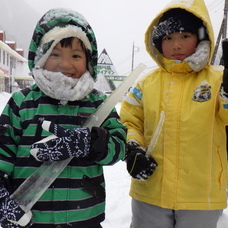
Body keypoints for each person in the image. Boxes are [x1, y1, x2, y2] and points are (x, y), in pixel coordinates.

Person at [0, 8, 126, 228]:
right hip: (31, 220)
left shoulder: (99, 105)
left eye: (76, 56)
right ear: (39, 57)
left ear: (89, 60)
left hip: (84, 219)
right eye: (54, 54)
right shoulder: (21, 104)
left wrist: (91, 142)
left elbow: (119, 146)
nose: (66, 64)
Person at [120, 0, 228, 227]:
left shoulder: (217, 79)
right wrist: (133, 147)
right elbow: (130, 121)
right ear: (158, 42)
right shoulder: (146, 82)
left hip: (201, 195)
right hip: (150, 190)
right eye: (168, 38)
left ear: (201, 37)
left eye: (185, 36)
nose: (176, 45)